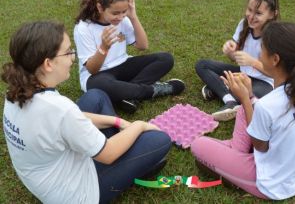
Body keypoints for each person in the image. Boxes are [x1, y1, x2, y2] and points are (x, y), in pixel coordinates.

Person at [1, 21, 172, 204]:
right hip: (78, 194)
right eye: (68, 52)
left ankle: (132, 159)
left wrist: (117, 122)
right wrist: (139, 125)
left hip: (46, 178)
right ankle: (136, 163)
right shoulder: (60, 109)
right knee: (159, 139)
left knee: (96, 96)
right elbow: (108, 154)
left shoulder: (17, 92)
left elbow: (69, 119)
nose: (73, 58)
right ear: (48, 64)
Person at [191, 21, 295, 200]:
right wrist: (251, 97)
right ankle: (234, 151)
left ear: (275, 59)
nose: (258, 53)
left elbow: (260, 146)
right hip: (292, 175)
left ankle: (234, 168)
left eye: (262, 48)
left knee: (198, 145)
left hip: (269, 183)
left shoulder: (269, 105)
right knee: (245, 110)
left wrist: (245, 98)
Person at [74, 0, 185, 113]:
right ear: (100, 7)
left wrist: (133, 17)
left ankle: (129, 94)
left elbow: (142, 46)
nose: (120, 17)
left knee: (165, 59)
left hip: (123, 64)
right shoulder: (83, 28)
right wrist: (103, 48)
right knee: (101, 86)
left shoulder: (123, 19)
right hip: (98, 76)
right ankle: (155, 90)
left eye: (123, 12)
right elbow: (92, 70)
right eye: (115, 13)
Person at [195, 0, 279, 121]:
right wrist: (230, 51)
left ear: (272, 14)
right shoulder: (244, 24)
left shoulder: (274, 36)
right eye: (249, 10)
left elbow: (276, 74)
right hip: (242, 74)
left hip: (263, 82)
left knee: (255, 100)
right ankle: (230, 100)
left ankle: (221, 89)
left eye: (258, 13)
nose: (251, 17)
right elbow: (236, 58)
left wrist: (252, 62)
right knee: (202, 65)